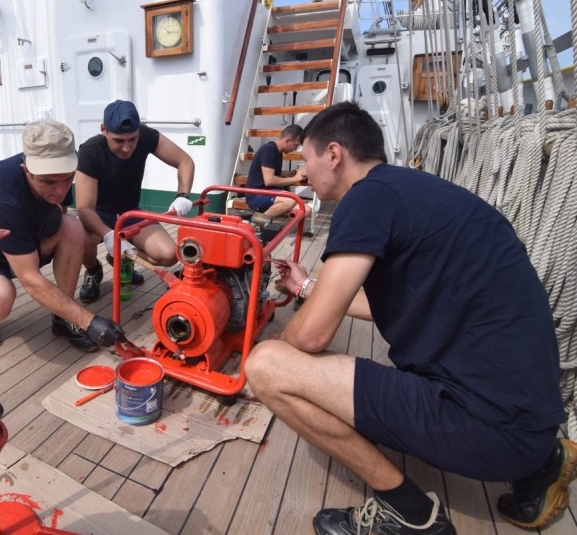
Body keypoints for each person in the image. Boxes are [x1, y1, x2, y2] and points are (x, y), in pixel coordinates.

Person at [244, 102, 571, 535]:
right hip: (533, 419)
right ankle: (548, 460)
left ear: (335, 154)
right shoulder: (411, 190)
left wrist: (292, 346)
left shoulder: (364, 200)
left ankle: (410, 513)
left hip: (491, 430)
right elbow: (400, 300)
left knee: (266, 364)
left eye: (307, 161)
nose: (304, 174)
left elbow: (310, 337)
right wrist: (307, 289)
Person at [0, 120, 125, 352]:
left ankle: (63, 317)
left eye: (68, 178)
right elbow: (30, 279)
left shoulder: (56, 176)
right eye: (48, 181)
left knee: (72, 227)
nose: (61, 190)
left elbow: (61, 211)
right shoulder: (6, 196)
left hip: (20, 244)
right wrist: (89, 321)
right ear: (26, 169)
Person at [75, 99, 195, 304]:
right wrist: (109, 236)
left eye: (132, 139)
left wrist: (183, 194)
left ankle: (122, 259)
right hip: (98, 214)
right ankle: (94, 271)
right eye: (119, 141)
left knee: (169, 255)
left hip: (130, 212)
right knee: (80, 240)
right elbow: (84, 208)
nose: (127, 147)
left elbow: (184, 161)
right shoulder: (89, 151)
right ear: (103, 129)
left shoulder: (147, 135)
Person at [244, 124, 306, 219]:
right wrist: (295, 179)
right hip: (256, 195)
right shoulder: (269, 150)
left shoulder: (277, 151)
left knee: (305, 210)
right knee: (290, 200)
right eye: (296, 145)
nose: (295, 149)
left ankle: (265, 221)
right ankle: (256, 223)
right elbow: (269, 181)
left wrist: (290, 173)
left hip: (268, 194)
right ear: (287, 141)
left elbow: (272, 172)